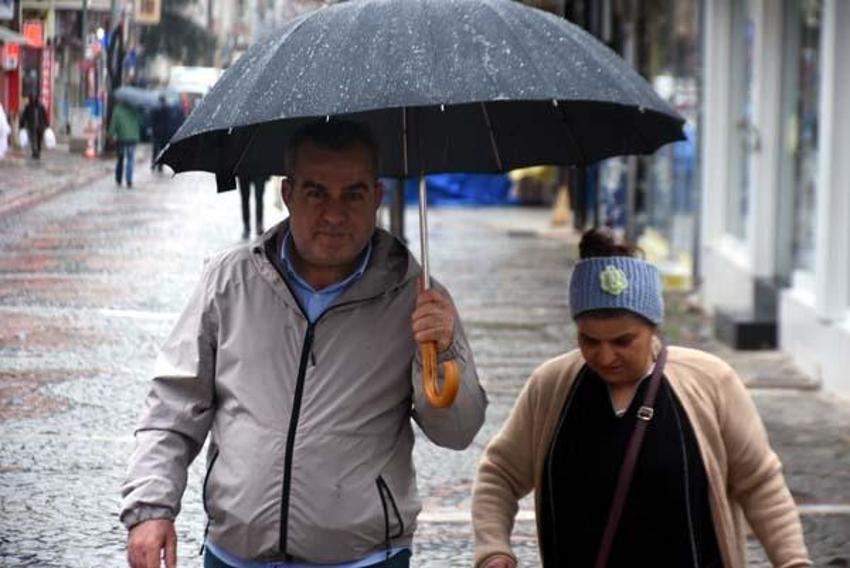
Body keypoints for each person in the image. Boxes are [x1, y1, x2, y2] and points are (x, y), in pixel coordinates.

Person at [120, 119, 487, 568]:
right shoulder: (230, 281)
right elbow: (174, 403)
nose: (334, 214)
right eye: (316, 192)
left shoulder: (418, 299)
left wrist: (444, 349)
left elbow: (458, 431)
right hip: (235, 555)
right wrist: (151, 508)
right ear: (287, 193)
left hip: (365, 559)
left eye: (352, 194)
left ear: (377, 197)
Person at [471, 230, 811, 568]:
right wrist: (494, 550)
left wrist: (794, 562)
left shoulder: (709, 381)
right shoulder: (552, 385)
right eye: (589, 340)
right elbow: (499, 473)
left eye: (623, 341)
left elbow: (760, 483)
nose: (605, 356)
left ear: (654, 328)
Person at [109, 100, 141, 188]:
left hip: (121, 138)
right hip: (132, 138)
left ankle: (119, 178)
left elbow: (113, 123)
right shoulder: (134, 109)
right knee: (130, 159)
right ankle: (129, 180)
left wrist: (111, 134)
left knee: (120, 159)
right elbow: (139, 121)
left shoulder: (117, 109)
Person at [237, 174, 269, 239]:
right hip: (243, 170)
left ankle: (258, 225)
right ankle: (247, 226)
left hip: (259, 170)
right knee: (245, 199)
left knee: (259, 198)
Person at [19, 96, 48, 160]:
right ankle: (35, 152)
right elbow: (24, 116)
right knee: (33, 139)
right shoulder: (28, 107)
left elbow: (44, 116)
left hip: (40, 126)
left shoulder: (41, 107)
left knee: (38, 140)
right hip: (31, 126)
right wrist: (22, 124)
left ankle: (37, 151)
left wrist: (47, 124)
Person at [150, 95, 170, 173]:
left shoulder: (155, 108)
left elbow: (152, 120)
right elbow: (169, 120)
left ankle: (154, 164)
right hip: (164, 132)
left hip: (156, 132)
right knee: (162, 150)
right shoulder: (167, 108)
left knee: (155, 149)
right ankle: (160, 166)